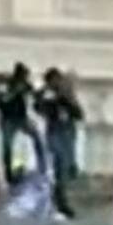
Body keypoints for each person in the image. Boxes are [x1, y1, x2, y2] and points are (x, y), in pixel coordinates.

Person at [36, 68, 84, 215]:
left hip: (67, 132)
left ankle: (60, 196)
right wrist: (53, 102)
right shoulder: (48, 95)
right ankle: (60, 200)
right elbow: (40, 108)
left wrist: (67, 102)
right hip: (56, 132)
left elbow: (78, 114)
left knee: (67, 165)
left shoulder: (66, 95)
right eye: (56, 80)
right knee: (60, 166)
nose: (59, 83)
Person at [0, 63, 44, 184]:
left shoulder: (25, 84)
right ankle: (9, 173)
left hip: (22, 119)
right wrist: (15, 91)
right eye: (23, 76)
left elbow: (34, 95)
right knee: (8, 147)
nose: (25, 79)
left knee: (37, 139)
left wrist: (39, 94)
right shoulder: (6, 85)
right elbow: (1, 101)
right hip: (8, 119)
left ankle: (42, 167)